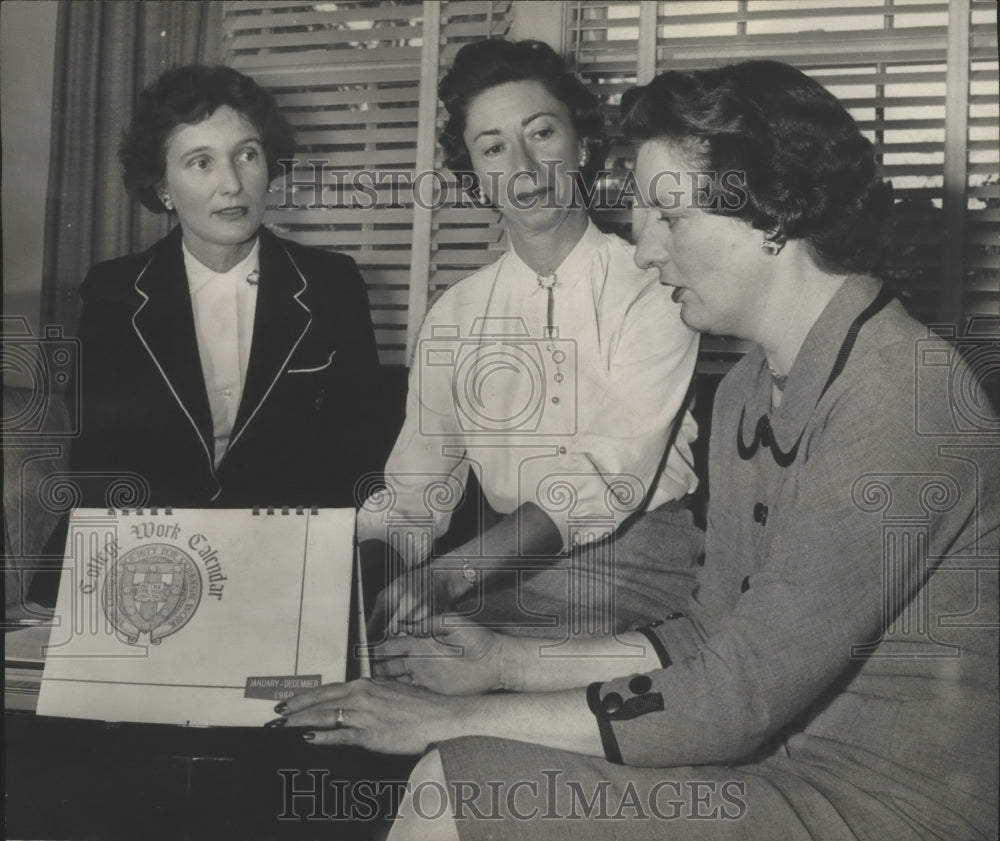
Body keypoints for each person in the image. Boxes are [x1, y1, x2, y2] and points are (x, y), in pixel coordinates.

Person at [277, 61, 1000, 841]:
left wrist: (448, 713)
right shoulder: (752, 386)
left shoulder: (905, 394)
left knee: (452, 778)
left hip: (887, 807)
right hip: (780, 767)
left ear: (773, 212)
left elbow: (732, 697)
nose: (645, 247)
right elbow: (706, 634)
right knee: (456, 775)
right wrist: (503, 664)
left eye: (669, 215)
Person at [357, 39, 699, 632]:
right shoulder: (455, 314)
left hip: (642, 569)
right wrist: (354, 574)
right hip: (498, 575)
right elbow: (415, 494)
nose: (521, 167)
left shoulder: (653, 281)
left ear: (583, 144)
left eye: (541, 133)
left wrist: (450, 574)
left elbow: (603, 472)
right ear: (474, 176)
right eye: (493, 148)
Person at [68, 65, 381, 510]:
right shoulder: (112, 292)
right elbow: (95, 464)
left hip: (285, 535)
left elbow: (359, 453)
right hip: (154, 536)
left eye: (247, 155)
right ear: (163, 187)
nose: (232, 185)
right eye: (201, 162)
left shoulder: (333, 283)